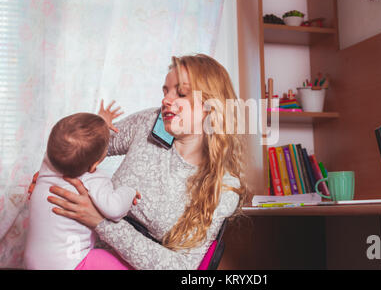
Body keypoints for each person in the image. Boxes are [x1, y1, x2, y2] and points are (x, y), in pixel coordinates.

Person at [45, 54, 247, 269]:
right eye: (165, 91)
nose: (166, 100)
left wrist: (101, 222)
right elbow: (87, 148)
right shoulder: (150, 122)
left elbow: (181, 267)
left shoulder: (224, 186)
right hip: (84, 254)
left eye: (181, 93)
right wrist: (55, 174)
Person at [24, 113, 140, 270]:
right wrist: (130, 191)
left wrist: (100, 125)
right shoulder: (94, 178)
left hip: (32, 261)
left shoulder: (48, 162)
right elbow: (115, 209)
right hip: (70, 264)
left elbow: (71, 139)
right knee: (128, 265)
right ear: (93, 166)